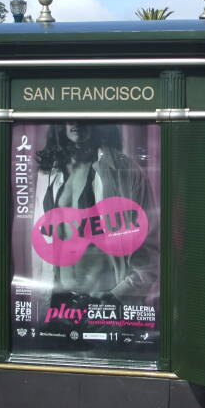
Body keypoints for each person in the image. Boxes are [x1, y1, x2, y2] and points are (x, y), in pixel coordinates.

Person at [32, 122, 158, 303]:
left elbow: (150, 246)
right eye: (69, 115)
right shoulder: (48, 173)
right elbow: (42, 242)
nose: (77, 121)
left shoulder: (125, 171)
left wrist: (118, 296)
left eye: (86, 114)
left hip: (106, 299)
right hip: (58, 300)